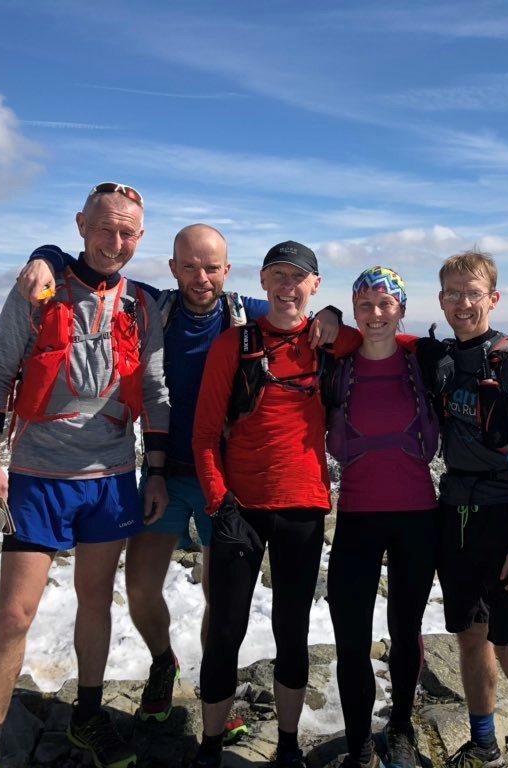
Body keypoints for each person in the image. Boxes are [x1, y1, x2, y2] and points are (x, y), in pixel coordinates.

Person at [16, 227, 339, 726]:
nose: (200, 277)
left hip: (224, 481)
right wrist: (47, 256)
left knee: (220, 599)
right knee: (142, 586)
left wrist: (333, 317)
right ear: (172, 268)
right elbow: (95, 268)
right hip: (164, 473)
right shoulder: (153, 307)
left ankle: (217, 694)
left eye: (210, 267)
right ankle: (164, 660)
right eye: (189, 266)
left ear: (227, 272)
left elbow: (297, 309)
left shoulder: (243, 311)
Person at [0, 182, 169, 768]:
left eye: (127, 232)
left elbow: (155, 393)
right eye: (104, 228)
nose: (114, 241)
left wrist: (154, 473)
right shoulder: (41, 288)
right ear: (81, 225)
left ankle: (87, 716)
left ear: (140, 237)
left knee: (95, 603)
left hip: (110, 478)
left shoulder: (144, 303)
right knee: (15, 613)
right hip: (36, 474)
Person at [191, 241, 357, 768]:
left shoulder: (329, 342)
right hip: (240, 509)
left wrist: (333, 319)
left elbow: (384, 338)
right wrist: (220, 505)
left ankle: (287, 748)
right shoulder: (234, 345)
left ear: (315, 285)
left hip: (303, 509)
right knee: (225, 631)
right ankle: (211, 747)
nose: (288, 287)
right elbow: (203, 436)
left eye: (299, 278)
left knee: (293, 630)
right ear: (263, 282)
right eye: (278, 276)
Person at [415, 250, 508, 768]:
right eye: (452, 293)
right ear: (440, 299)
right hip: (455, 515)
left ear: (492, 298)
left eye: (472, 292)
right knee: (470, 638)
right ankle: (483, 744)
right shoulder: (439, 358)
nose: (462, 302)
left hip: (505, 520)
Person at [326, 267, 440, 768]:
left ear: (401, 309)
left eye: (385, 304)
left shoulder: (424, 362)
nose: (375, 314)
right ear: (353, 310)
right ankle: (358, 747)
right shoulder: (337, 364)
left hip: (418, 516)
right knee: (351, 639)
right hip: (355, 515)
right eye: (365, 305)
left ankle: (399, 725)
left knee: (405, 628)